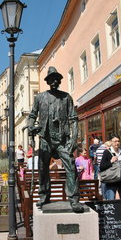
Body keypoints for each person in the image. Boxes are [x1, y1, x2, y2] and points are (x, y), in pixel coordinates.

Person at [28, 66, 84, 213]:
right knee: (42, 168)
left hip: (63, 139)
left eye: (56, 79)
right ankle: (44, 197)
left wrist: (74, 138)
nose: (54, 81)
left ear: (59, 80)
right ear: (47, 81)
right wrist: (30, 129)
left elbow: (73, 119)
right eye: (51, 79)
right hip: (46, 138)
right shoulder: (40, 97)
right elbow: (32, 115)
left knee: (71, 167)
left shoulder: (66, 97)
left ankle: (74, 199)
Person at [100, 134, 121, 230]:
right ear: (111, 142)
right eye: (115, 141)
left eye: (118, 141)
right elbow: (102, 167)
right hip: (111, 181)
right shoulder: (107, 152)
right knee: (111, 204)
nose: (117, 143)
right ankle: (111, 227)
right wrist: (111, 161)